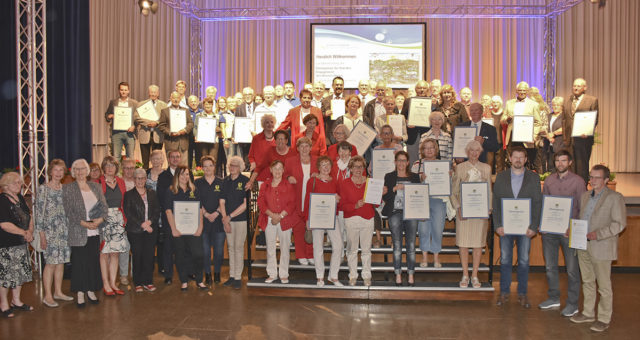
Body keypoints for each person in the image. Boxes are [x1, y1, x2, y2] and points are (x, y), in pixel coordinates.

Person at [570, 165, 626, 332]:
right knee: (587, 281)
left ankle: (603, 318)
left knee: (604, 285)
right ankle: (588, 313)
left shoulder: (615, 197)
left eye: (597, 177)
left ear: (606, 180)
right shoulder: (585, 196)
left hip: (602, 246)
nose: (592, 180)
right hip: (583, 245)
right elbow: (583, 219)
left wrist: (598, 234)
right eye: (591, 177)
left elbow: (619, 224)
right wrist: (572, 230)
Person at [493, 146, 542, 309]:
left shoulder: (534, 178)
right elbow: (496, 203)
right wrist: (497, 225)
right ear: (510, 158)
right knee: (505, 260)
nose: (518, 160)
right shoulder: (501, 177)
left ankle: (522, 294)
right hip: (505, 227)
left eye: (521, 157)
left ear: (526, 159)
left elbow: (537, 203)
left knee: (524, 261)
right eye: (515, 157)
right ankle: (504, 292)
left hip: (526, 228)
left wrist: (534, 226)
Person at [538, 150, 586, 315]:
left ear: (570, 162)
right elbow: (545, 204)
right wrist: (542, 224)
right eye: (558, 161)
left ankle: (573, 303)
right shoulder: (549, 180)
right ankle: (553, 298)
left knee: (572, 269)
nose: (560, 164)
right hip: (550, 231)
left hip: (569, 232)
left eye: (563, 161)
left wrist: (574, 227)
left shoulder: (578, 182)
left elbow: (583, 208)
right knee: (550, 266)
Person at [63, 159, 107, 307]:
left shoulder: (96, 186)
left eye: (83, 169)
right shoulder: (68, 189)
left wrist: (99, 221)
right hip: (78, 231)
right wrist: (85, 224)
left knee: (92, 263)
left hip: (95, 231)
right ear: (73, 172)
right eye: (77, 169)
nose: (80, 172)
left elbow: (104, 207)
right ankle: (81, 293)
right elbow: (69, 212)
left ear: (87, 171)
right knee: (79, 263)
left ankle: (91, 290)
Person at [451, 140, 492, 288]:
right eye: (471, 150)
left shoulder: (486, 168)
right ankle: (465, 275)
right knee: (463, 244)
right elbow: (454, 192)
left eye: (477, 150)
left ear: (480, 152)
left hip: (480, 214)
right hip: (464, 213)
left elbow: (488, 191)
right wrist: (458, 208)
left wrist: (488, 208)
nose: (474, 153)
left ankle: (475, 275)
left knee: (477, 244)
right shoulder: (460, 168)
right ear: (467, 152)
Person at [34, 159, 73, 308]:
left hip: (63, 231)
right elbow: (39, 214)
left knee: (61, 262)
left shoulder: (64, 189)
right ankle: (48, 296)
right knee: (50, 264)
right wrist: (42, 235)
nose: (58, 173)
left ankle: (58, 292)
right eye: (55, 170)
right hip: (49, 232)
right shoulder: (44, 189)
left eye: (61, 170)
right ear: (50, 172)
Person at [164, 165, 207, 291]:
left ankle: (199, 280)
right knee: (180, 255)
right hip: (178, 230)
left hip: (194, 230)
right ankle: (184, 281)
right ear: (177, 176)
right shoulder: (171, 191)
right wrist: (173, 229)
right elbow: (168, 211)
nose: (184, 177)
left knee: (198, 254)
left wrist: (200, 227)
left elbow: (199, 210)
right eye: (182, 174)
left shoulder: (195, 190)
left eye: (187, 174)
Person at [303, 156, 343, 287]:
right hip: (316, 218)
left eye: (328, 165)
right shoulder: (312, 181)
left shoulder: (335, 181)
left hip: (331, 218)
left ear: (331, 167)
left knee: (338, 245)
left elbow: (339, 199)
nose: (326, 167)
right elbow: (307, 201)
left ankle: (333, 276)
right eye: (323, 165)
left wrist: (338, 199)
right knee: (318, 247)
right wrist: (307, 219)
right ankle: (320, 277)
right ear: (319, 167)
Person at [382, 151, 421, 286]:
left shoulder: (415, 177)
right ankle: (398, 274)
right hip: (395, 213)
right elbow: (386, 198)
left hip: (411, 213)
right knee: (397, 245)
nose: (401, 163)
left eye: (404, 160)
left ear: (408, 162)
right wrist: (391, 190)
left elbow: (419, 195)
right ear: (395, 162)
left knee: (411, 245)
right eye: (399, 160)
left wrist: (406, 187)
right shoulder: (389, 176)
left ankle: (410, 274)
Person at [258, 160, 299, 283]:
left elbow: (292, 203)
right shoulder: (265, 185)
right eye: (275, 168)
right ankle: (272, 273)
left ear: (283, 170)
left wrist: (280, 216)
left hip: (285, 219)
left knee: (285, 247)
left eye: (280, 168)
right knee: (270, 247)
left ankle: (284, 274)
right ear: (270, 170)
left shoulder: (288, 185)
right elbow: (261, 202)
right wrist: (272, 215)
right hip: (269, 219)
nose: (277, 171)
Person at [0, 172, 35, 317]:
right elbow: (4, 224)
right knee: (6, 276)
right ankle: (3, 304)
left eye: (20, 183)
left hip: (22, 243)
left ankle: (17, 300)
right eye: (16, 183)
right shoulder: (2, 200)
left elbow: (29, 216)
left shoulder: (19, 198)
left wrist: (30, 231)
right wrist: (23, 232)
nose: (19, 185)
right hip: (7, 244)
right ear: (6, 185)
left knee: (20, 273)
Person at [339, 156, 376, 286]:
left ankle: (366, 276)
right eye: (355, 167)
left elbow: (376, 205)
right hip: (351, 219)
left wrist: (380, 195)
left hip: (368, 219)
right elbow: (342, 205)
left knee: (366, 250)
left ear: (364, 168)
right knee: (352, 250)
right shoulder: (344, 183)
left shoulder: (370, 182)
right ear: (351, 168)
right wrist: (354, 206)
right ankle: (353, 276)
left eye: (361, 166)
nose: (358, 169)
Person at [411, 138, 448, 268]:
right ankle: (425, 257)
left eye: (432, 147)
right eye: (426, 148)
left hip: (439, 199)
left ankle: (436, 257)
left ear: (436, 149)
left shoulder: (443, 164)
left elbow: (449, 183)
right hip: (422, 201)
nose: (429, 150)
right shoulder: (417, 164)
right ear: (422, 150)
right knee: (423, 229)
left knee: (438, 229)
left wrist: (449, 175)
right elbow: (411, 183)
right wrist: (420, 178)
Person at [123, 168, 160, 292]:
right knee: (137, 255)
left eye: (142, 178)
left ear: (146, 179)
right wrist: (143, 224)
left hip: (150, 230)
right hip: (135, 231)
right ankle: (138, 282)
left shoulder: (152, 193)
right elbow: (128, 213)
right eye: (137, 178)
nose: (140, 180)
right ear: (134, 180)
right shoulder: (128, 195)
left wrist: (149, 223)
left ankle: (148, 281)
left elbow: (156, 211)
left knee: (149, 256)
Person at [285, 137, 318, 265]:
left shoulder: (316, 161)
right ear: (297, 148)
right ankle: (300, 254)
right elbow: (283, 174)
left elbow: (325, 173)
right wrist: (288, 177)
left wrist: (318, 175)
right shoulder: (290, 161)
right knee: (298, 228)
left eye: (307, 146)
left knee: (311, 228)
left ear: (310, 148)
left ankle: (310, 254)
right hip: (296, 199)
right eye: (301, 146)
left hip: (312, 199)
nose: (304, 149)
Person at [98, 156, 128, 296]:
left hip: (118, 219)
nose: (110, 168)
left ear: (117, 168)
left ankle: (113, 283)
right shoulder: (98, 182)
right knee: (104, 254)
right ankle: (106, 284)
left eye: (112, 165)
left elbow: (124, 202)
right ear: (103, 168)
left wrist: (124, 219)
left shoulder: (121, 182)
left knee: (115, 253)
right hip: (104, 220)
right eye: (107, 165)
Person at [195, 156, 226, 285]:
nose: (208, 168)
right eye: (205, 166)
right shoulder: (197, 183)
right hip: (203, 222)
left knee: (219, 251)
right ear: (202, 168)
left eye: (210, 165)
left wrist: (217, 212)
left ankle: (217, 273)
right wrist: (207, 214)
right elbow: (196, 202)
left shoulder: (222, 182)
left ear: (214, 167)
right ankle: (207, 274)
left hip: (219, 222)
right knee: (206, 251)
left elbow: (225, 201)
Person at [562, 78, 599, 185]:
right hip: (569, 140)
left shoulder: (592, 100)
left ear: (585, 88)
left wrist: (587, 132)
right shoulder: (568, 100)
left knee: (582, 164)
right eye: (574, 86)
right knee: (571, 164)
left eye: (578, 86)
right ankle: (572, 186)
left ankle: (582, 188)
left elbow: (595, 119)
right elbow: (564, 120)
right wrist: (565, 137)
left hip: (583, 138)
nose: (576, 88)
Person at [220, 156, 249, 289]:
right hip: (228, 220)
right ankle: (231, 276)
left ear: (241, 167)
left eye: (236, 165)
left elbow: (245, 204)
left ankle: (238, 277)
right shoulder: (225, 181)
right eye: (231, 165)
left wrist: (229, 217)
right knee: (230, 248)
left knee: (238, 247)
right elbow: (222, 201)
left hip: (240, 220)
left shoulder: (245, 181)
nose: (233, 167)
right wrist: (225, 219)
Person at [156, 150, 184, 285]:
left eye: (177, 156)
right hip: (169, 215)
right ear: (168, 159)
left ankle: (187, 271)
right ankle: (168, 274)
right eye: (172, 157)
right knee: (168, 247)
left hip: (184, 217)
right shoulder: (163, 176)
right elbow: (161, 197)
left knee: (184, 247)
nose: (175, 159)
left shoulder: (185, 174)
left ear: (181, 158)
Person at [501, 82, 543, 169]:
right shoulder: (509, 103)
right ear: (516, 91)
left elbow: (538, 122)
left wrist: (533, 136)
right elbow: (502, 119)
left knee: (527, 161)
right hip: (512, 137)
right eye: (520, 90)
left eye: (524, 90)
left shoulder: (534, 104)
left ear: (527, 91)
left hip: (526, 137)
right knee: (511, 161)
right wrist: (507, 118)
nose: (522, 92)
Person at [400, 80, 434, 164]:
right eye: (419, 88)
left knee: (427, 160)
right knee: (412, 161)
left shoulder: (432, 102)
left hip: (427, 134)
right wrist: (407, 121)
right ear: (415, 89)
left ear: (428, 89)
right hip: (412, 136)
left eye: (424, 88)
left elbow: (438, 117)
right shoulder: (408, 101)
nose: (422, 90)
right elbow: (402, 117)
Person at [104, 81, 138, 162]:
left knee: (130, 157)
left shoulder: (134, 103)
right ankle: (117, 174)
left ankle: (130, 174)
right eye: (122, 90)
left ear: (129, 91)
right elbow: (107, 115)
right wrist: (110, 116)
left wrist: (134, 126)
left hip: (130, 133)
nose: (124, 92)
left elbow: (138, 118)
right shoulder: (113, 102)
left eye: (125, 90)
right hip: (116, 133)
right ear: (119, 90)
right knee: (116, 157)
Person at [158, 91, 194, 166]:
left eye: (177, 98)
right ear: (170, 98)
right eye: (174, 98)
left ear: (180, 99)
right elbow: (161, 126)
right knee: (172, 166)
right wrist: (170, 132)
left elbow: (190, 123)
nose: (176, 100)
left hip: (183, 142)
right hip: (171, 142)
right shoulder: (165, 111)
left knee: (183, 167)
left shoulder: (185, 110)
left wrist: (184, 130)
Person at [135, 84, 167, 168]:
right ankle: (145, 176)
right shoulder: (141, 104)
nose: (153, 94)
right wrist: (147, 123)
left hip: (158, 135)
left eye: (155, 92)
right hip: (145, 134)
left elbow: (166, 118)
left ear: (158, 93)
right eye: (151, 92)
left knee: (157, 160)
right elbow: (136, 117)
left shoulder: (164, 105)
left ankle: (157, 177)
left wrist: (156, 122)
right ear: (148, 93)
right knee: (145, 161)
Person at [146, 150, 165, 273]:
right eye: (154, 158)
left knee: (162, 242)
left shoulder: (167, 174)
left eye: (159, 159)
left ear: (163, 160)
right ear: (151, 160)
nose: (156, 161)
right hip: (148, 212)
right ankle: (149, 267)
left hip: (163, 212)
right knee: (149, 242)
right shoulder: (145, 173)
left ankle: (162, 268)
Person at [246, 114, 277, 190]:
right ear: (263, 124)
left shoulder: (278, 137)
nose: (270, 124)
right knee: (263, 196)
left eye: (271, 122)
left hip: (276, 172)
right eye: (267, 122)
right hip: (260, 172)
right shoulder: (256, 138)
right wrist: (253, 163)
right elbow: (250, 155)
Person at [194, 97, 225, 166]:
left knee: (213, 160)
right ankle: (204, 175)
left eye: (210, 104)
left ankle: (212, 175)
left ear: (212, 105)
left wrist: (218, 129)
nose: (208, 106)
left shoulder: (218, 116)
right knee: (203, 159)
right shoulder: (198, 115)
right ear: (203, 105)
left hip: (214, 141)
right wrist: (196, 136)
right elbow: (195, 127)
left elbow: (222, 130)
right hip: (202, 141)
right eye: (206, 104)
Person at [320, 76, 345, 143]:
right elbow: (320, 116)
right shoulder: (325, 100)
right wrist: (325, 114)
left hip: (344, 134)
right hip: (330, 134)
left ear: (343, 86)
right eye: (337, 84)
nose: (339, 86)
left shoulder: (347, 100)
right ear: (332, 86)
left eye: (341, 85)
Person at [546, 97, 566, 172]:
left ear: (562, 107)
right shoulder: (549, 115)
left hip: (560, 144)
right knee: (550, 167)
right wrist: (548, 136)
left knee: (559, 166)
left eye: (558, 105)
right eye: (554, 105)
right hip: (549, 145)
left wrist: (553, 134)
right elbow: (544, 127)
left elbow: (565, 128)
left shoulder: (564, 116)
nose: (555, 107)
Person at [489, 95, 505, 173]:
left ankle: (500, 181)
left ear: (500, 103)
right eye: (493, 102)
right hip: (490, 142)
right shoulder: (488, 114)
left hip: (500, 142)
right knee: (489, 163)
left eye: (497, 102)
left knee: (500, 163)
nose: (495, 104)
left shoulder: (504, 114)